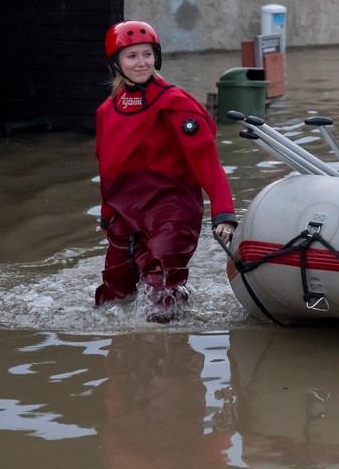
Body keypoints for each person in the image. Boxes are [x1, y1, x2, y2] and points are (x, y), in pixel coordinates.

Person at [94, 20, 237, 321]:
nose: (141, 62)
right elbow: (107, 167)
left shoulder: (175, 103)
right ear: (117, 62)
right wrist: (107, 213)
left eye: (147, 54)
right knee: (112, 295)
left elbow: (207, 161)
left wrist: (223, 212)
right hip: (125, 212)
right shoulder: (107, 111)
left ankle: (170, 357)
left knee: (160, 294)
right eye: (132, 56)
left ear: (156, 57)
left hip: (170, 209)